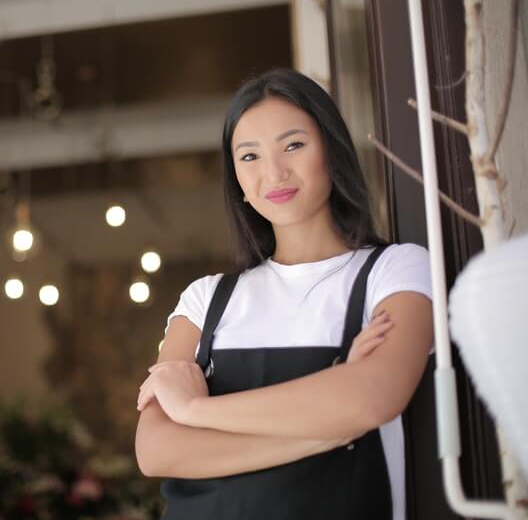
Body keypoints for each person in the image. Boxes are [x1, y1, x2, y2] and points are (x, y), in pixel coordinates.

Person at [134, 68, 434, 520]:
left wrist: (195, 408)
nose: (273, 173)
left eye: (293, 145)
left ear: (331, 150)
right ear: (235, 176)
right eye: (249, 156)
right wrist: (331, 428)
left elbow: (372, 399)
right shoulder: (205, 300)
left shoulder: (394, 270)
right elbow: (156, 451)